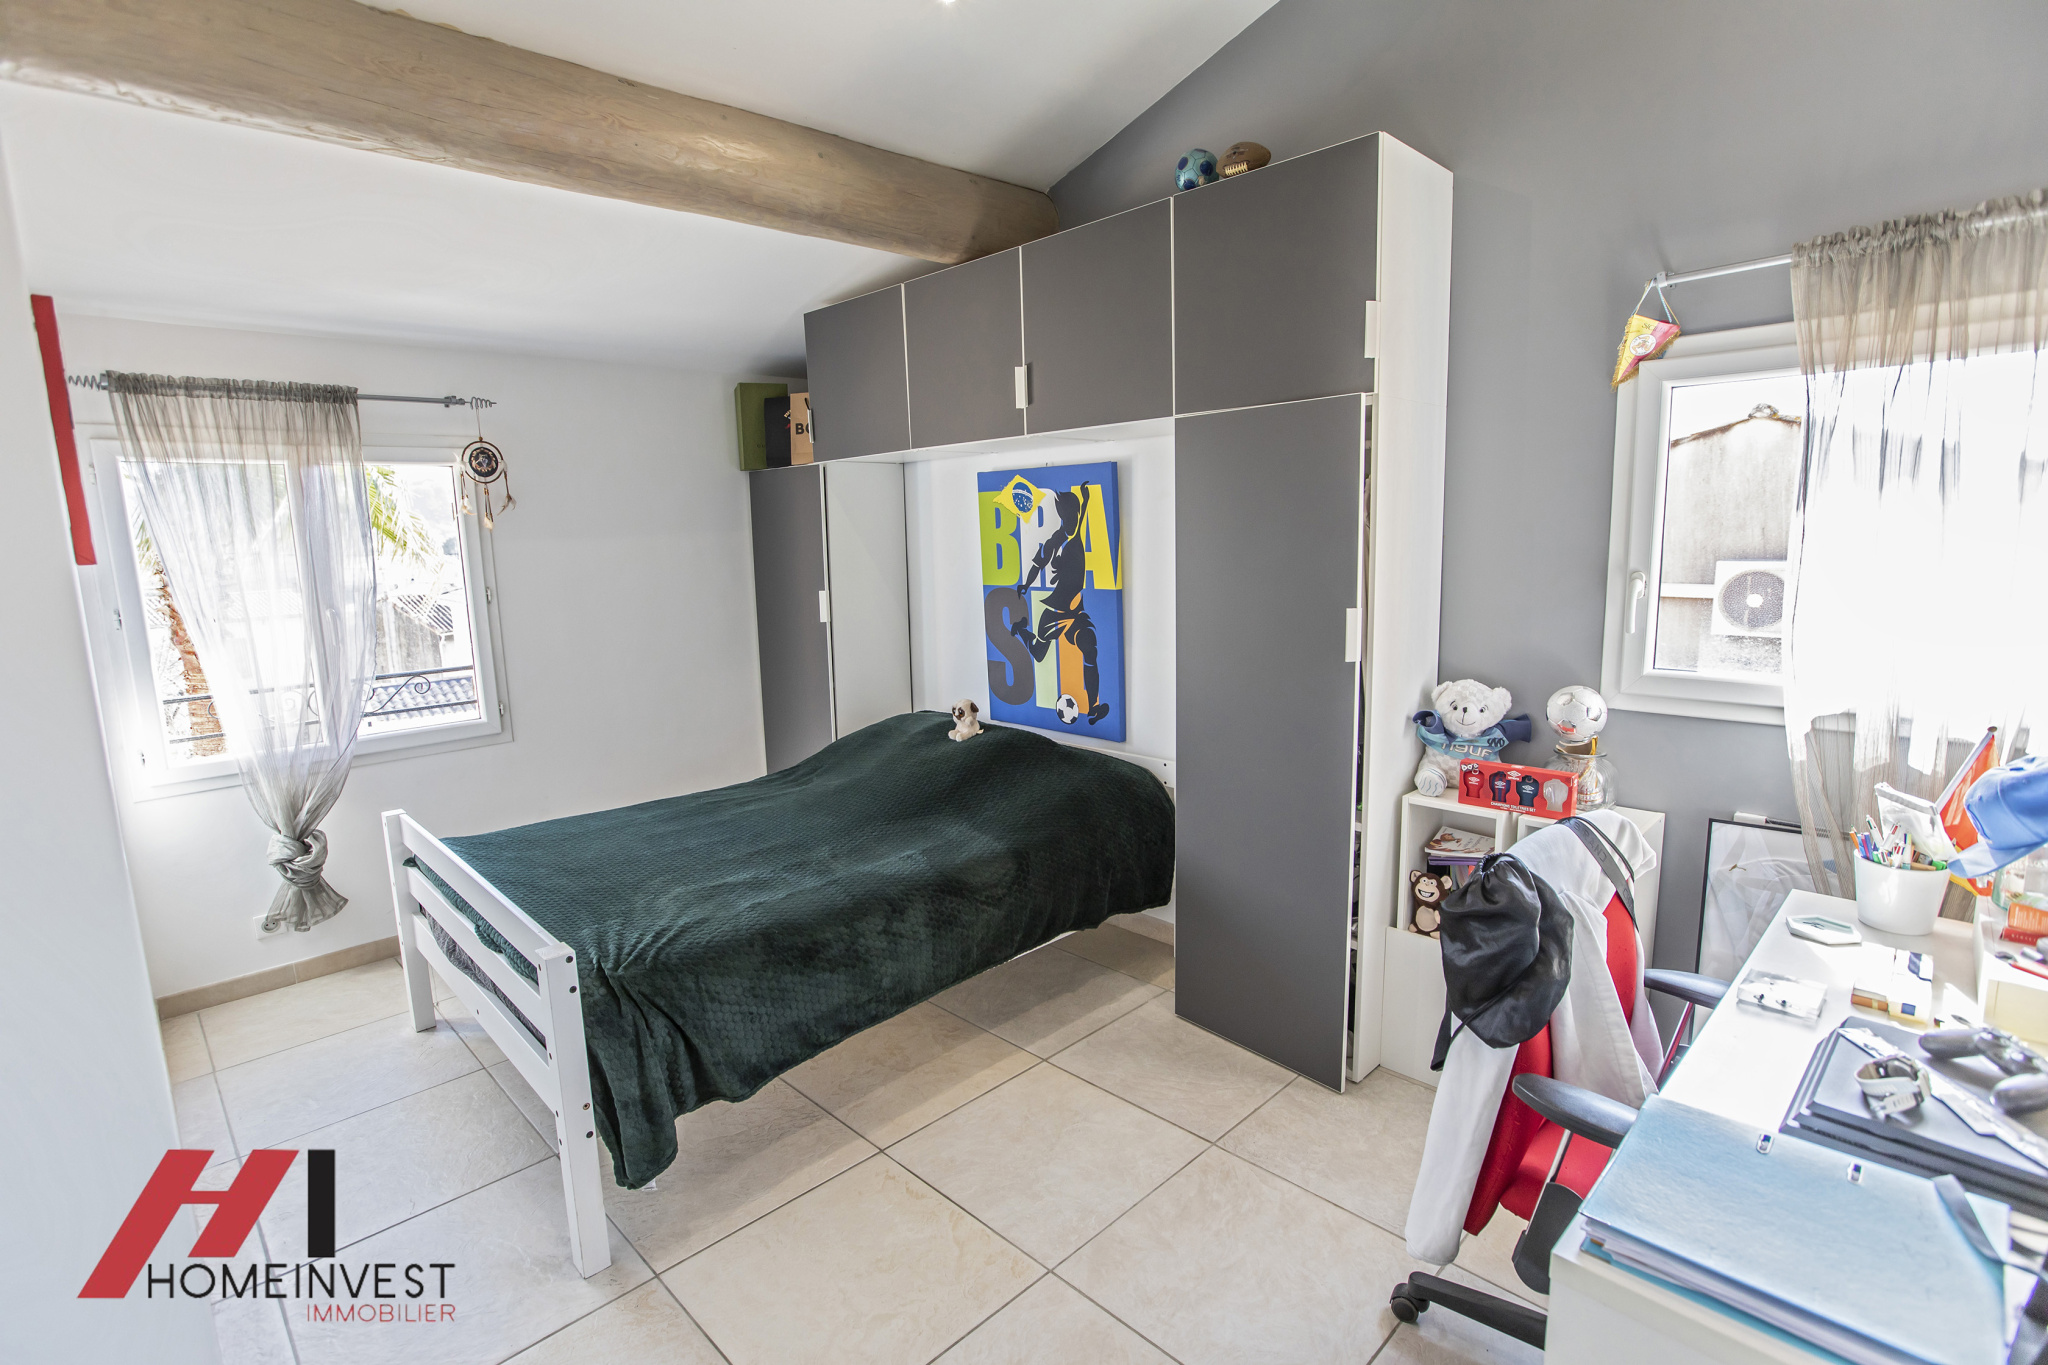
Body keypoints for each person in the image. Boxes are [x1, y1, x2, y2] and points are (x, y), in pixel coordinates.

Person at [1009, 485, 1110, 725]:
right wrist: (1026, 584)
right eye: (1069, 515)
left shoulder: (1077, 533)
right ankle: (1020, 629)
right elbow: (1038, 564)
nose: (1074, 519)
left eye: (1076, 514)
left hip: (1076, 612)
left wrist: (1086, 498)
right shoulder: (1055, 541)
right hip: (1055, 613)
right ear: (1063, 516)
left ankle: (1093, 708)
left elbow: (1084, 513)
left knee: (1090, 649)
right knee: (1039, 653)